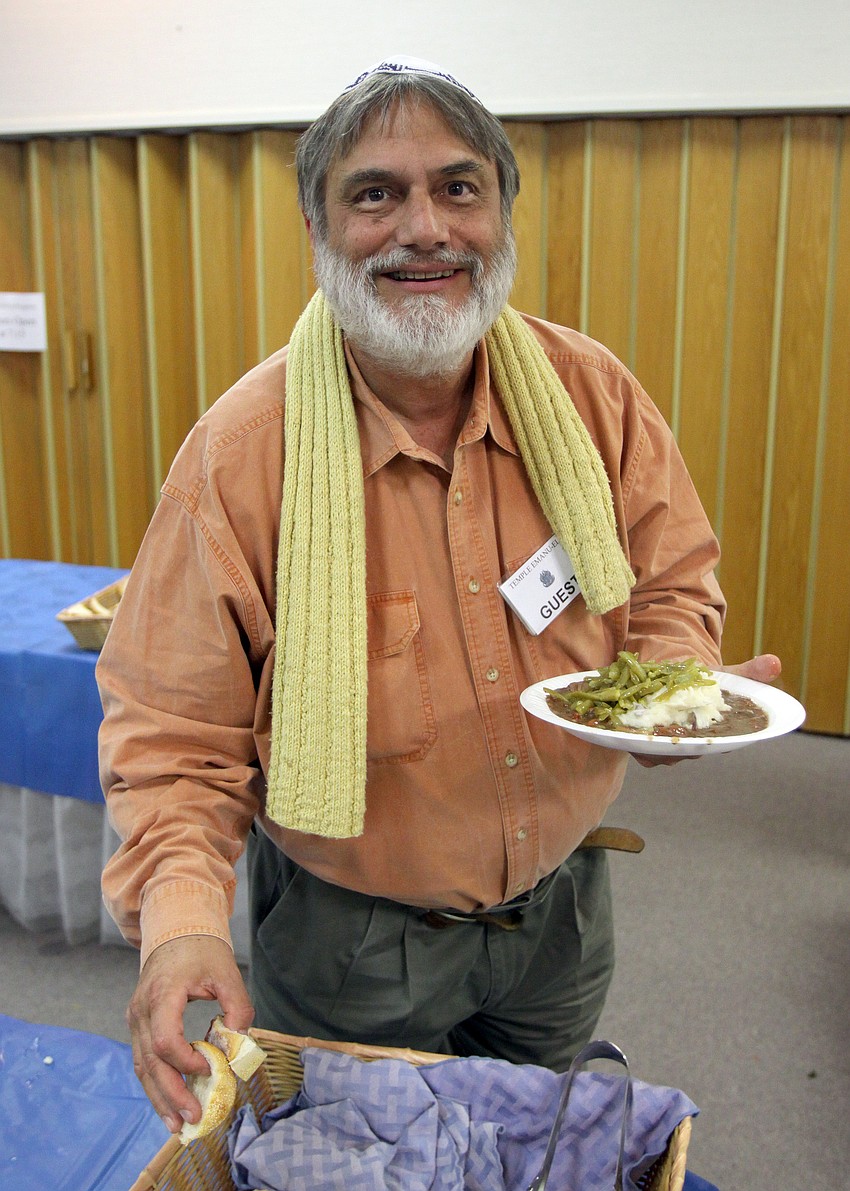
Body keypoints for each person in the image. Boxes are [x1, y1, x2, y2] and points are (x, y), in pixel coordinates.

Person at [97, 56, 780, 1136]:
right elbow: (173, 734)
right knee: (367, 1160)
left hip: (561, 917)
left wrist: (673, 689)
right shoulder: (241, 458)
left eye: (458, 188)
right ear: (321, 229)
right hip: (349, 951)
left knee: (530, 1145)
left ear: (502, 211)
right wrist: (181, 923)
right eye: (375, 194)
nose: (425, 228)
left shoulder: (590, 395)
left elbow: (671, 583)